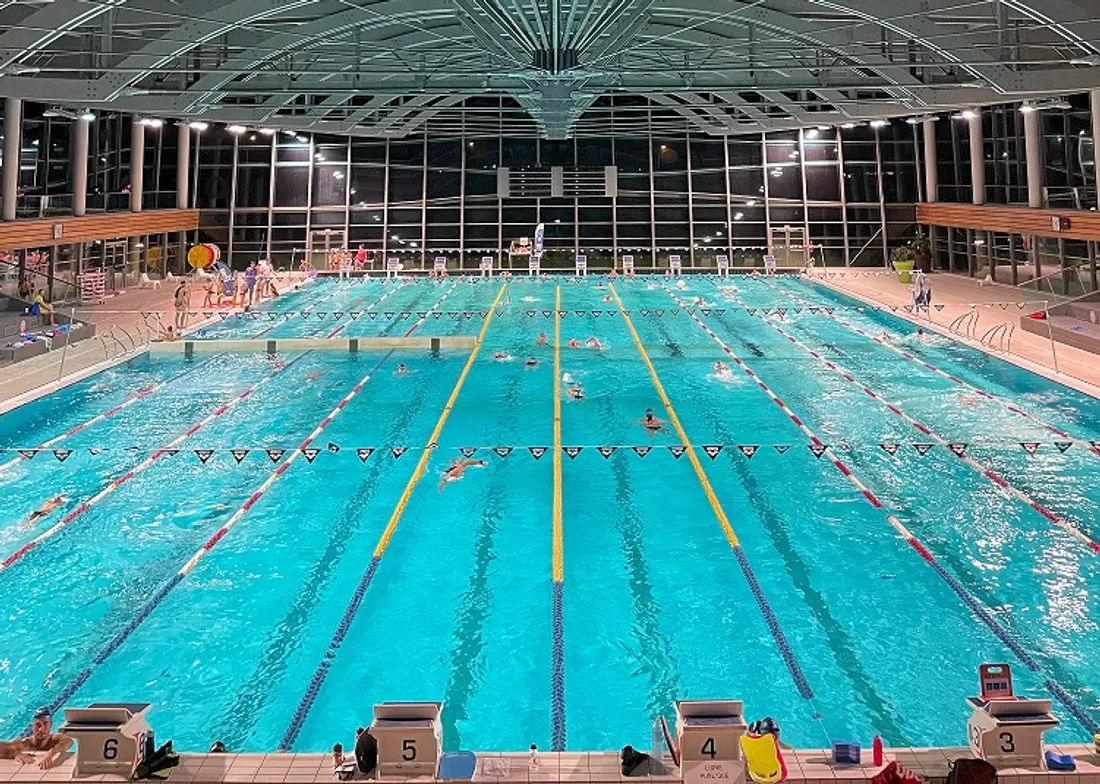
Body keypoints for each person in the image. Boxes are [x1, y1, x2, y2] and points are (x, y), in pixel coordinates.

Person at [0, 707, 73, 769]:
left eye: (45, 723)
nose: (41, 729)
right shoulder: (24, 744)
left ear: (51, 725)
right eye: (38, 725)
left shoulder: (54, 740)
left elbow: (69, 741)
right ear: (32, 726)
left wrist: (52, 752)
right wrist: (15, 754)